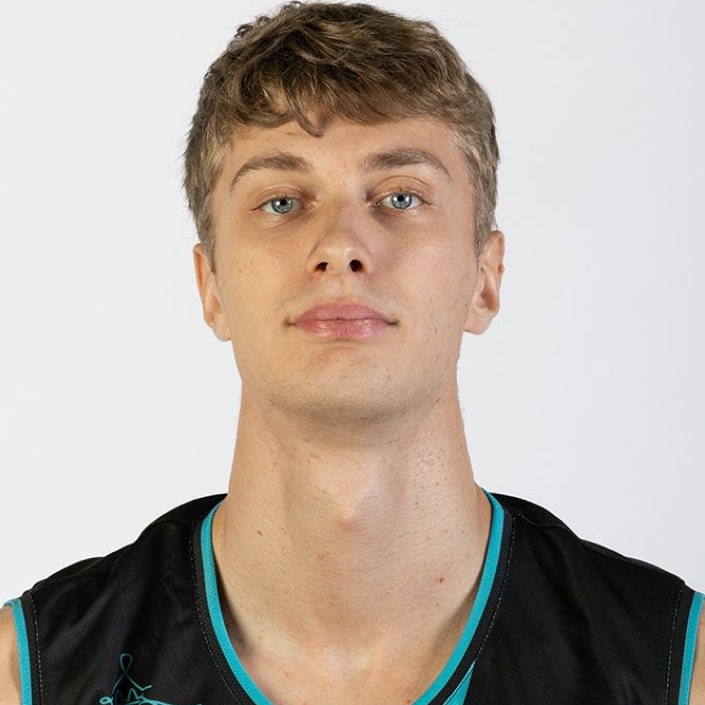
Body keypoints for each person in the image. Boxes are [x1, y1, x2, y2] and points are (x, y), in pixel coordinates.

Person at [0, 2, 702, 703]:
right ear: (210, 285)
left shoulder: (675, 670)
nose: (340, 245)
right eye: (282, 201)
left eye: (400, 197)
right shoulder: (27, 674)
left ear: (485, 278)